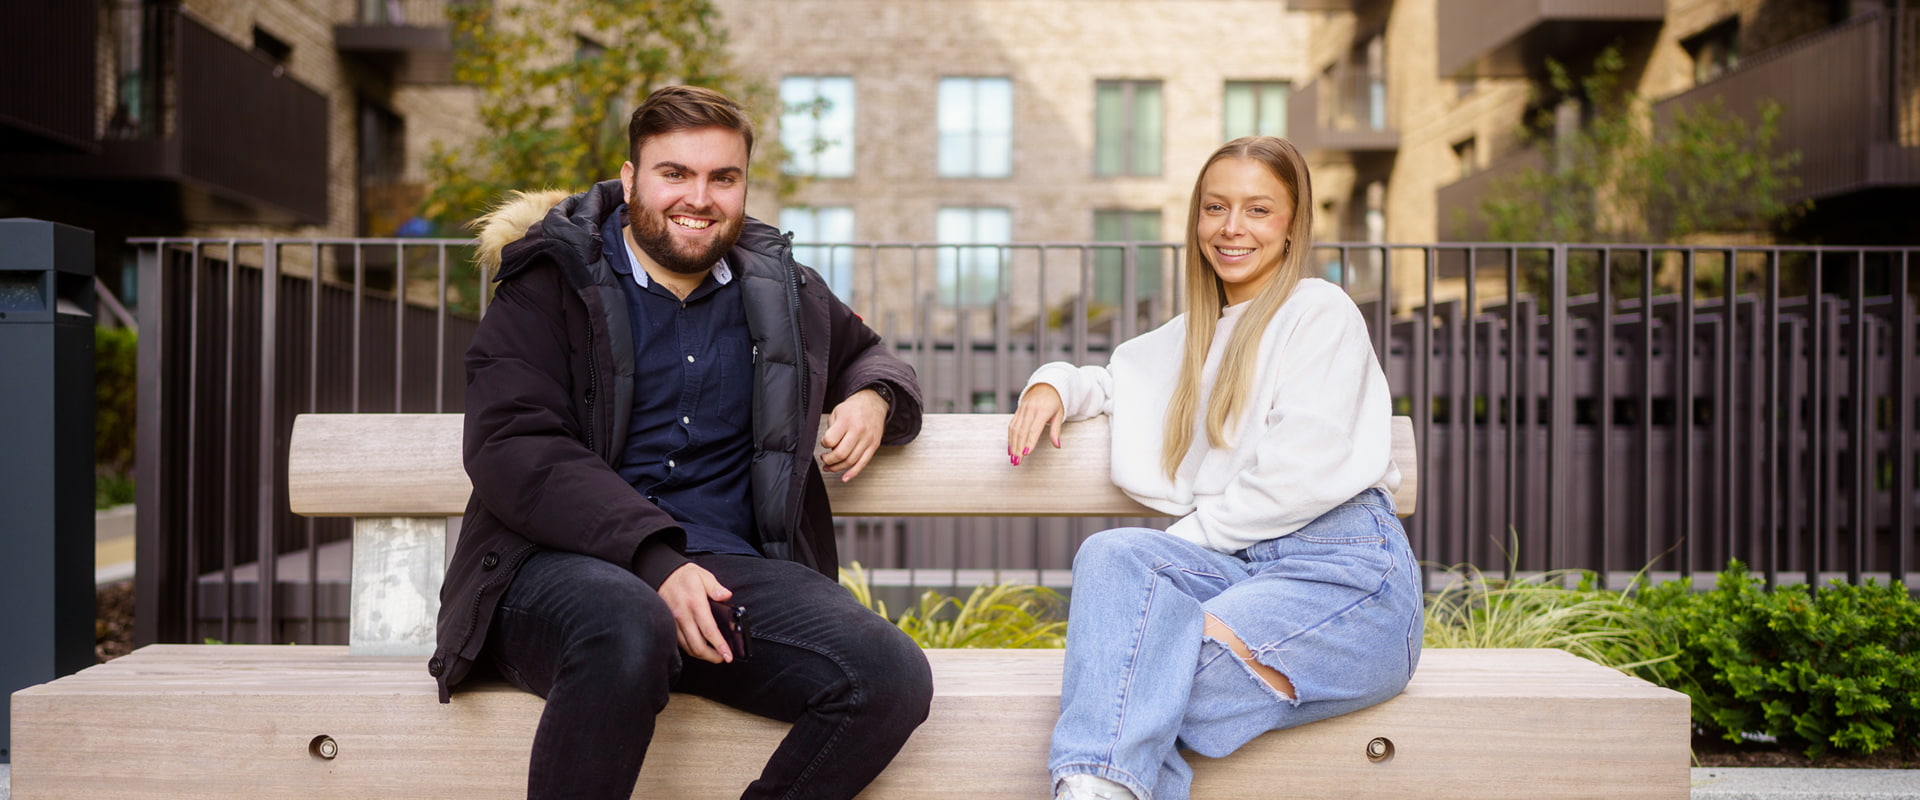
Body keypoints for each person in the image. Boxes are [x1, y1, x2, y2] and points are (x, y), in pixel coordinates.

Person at [430, 85, 934, 800]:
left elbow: (872, 354)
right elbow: (514, 444)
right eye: (675, 173)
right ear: (632, 179)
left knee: (888, 675)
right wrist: (655, 560)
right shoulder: (549, 280)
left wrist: (874, 396)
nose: (699, 197)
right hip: (555, 574)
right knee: (629, 620)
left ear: (743, 186)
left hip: (730, 580)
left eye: (722, 178)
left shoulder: (781, 289)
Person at [1006, 136, 1423, 800]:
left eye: (1259, 210)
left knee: (1134, 681)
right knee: (1114, 559)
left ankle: (1091, 788)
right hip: (1240, 570)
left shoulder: (1319, 311)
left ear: (1292, 227)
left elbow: (1302, 477)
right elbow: (1114, 381)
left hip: (1344, 577)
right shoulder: (1189, 335)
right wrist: (1052, 385)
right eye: (1215, 208)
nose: (1232, 228)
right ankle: (1098, 788)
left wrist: (1187, 537)